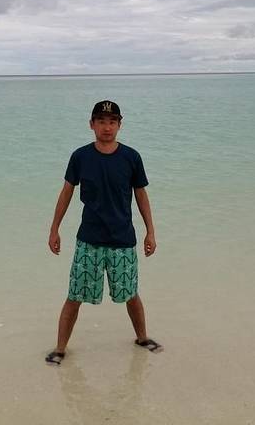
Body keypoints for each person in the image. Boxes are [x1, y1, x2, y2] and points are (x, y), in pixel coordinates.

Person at [45, 100, 162, 366]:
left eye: (112, 122)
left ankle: (142, 338)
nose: (107, 127)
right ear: (92, 125)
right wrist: (54, 229)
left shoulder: (131, 157)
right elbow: (66, 192)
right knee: (74, 296)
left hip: (123, 240)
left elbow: (141, 195)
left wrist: (150, 232)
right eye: (101, 122)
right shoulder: (80, 157)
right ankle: (60, 349)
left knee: (131, 293)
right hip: (89, 240)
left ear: (120, 125)